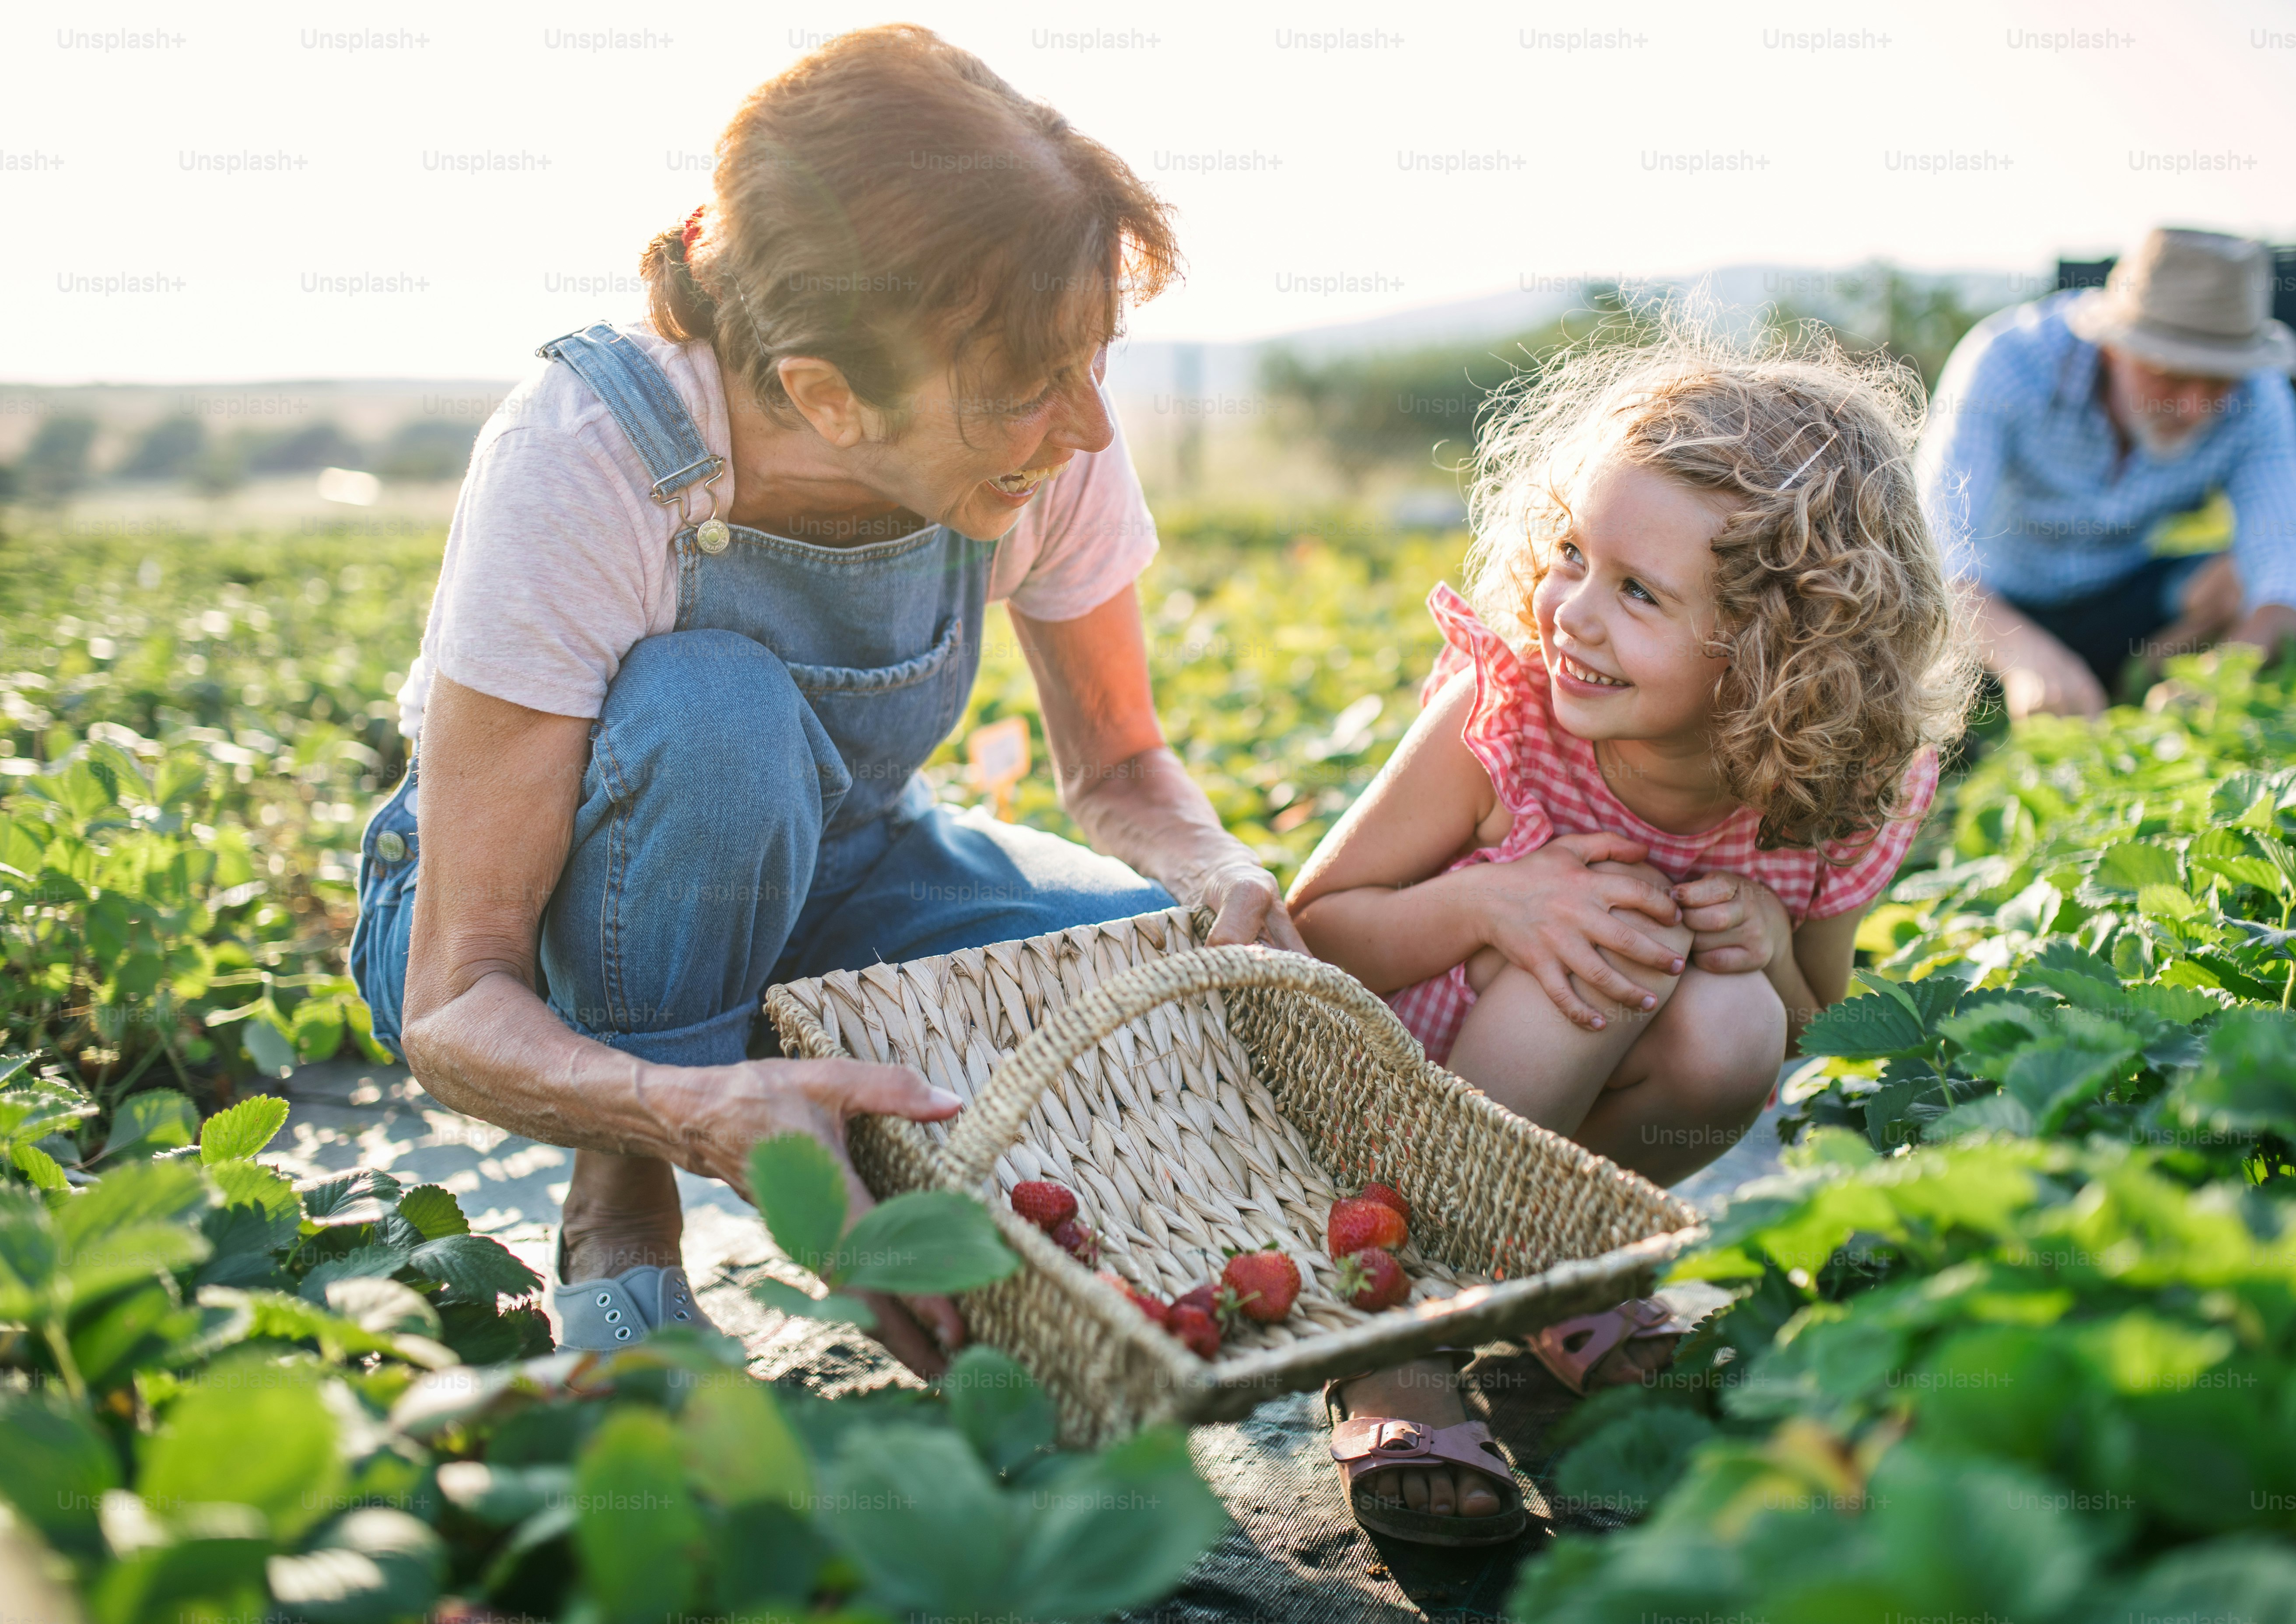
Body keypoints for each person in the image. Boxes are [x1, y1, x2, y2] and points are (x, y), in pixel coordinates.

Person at [349, 27, 1303, 1370]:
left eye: (1095, 361)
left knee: (1145, 964)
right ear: (823, 395)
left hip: (845, 871)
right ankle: (618, 1200)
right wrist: (687, 1114)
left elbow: (1119, 766)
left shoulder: (1040, 430)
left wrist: (1215, 868)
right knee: (715, 713)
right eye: (1036, 386)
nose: (1088, 425)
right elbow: (458, 1000)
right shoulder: (589, 456)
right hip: (550, 939)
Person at [1287, 328, 1970, 1542]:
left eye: (1637, 592)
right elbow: (1311, 939)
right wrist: (1489, 904)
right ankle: (1391, 1337)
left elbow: (1815, 1021)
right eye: (1569, 556)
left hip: (1553, 1131)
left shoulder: (1827, 790)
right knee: (1594, 950)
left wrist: (1764, 934)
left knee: (1732, 1016)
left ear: (1777, 653)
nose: (1570, 614)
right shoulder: (1505, 721)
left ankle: (1558, 1265)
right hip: (1385, 1121)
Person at [1917, 227, 2296, 717]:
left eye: (2220, 380)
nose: (2195, 407)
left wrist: (2225, 676)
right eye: (2172, 374)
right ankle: (2042, 686)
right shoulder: (2007, 363)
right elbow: (1931, 555)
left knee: (2237, 581)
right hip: (1995, 606)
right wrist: (2024, 658)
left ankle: (2136, 683)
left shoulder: (2258, 397)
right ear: (2113, 346)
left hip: (2127, 598)